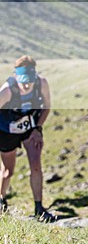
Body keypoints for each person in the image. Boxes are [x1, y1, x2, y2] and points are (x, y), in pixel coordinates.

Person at [0, 56, 55, 222]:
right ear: (17, 77)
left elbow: (46, 107)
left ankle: (39, 207)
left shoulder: (41, 84)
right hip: (6, 130)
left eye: (29, 81)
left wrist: (38, 128)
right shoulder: (7, 90)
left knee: (36, 166)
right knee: (8, 171)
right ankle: (1, 199)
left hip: (30, 128)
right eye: (23, 81)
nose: (26, 85)